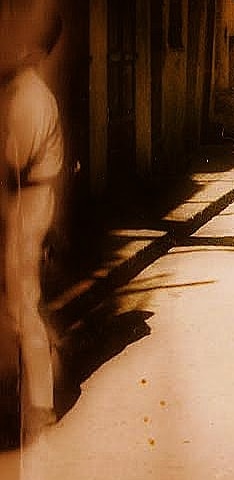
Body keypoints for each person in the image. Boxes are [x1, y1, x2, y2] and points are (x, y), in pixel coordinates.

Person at [0, 5, 65, 442]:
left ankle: (41, 403)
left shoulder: (30, 97)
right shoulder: (29, 93)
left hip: (29, 201)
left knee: (25, 304)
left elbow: (12, 162)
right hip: (32, 199)